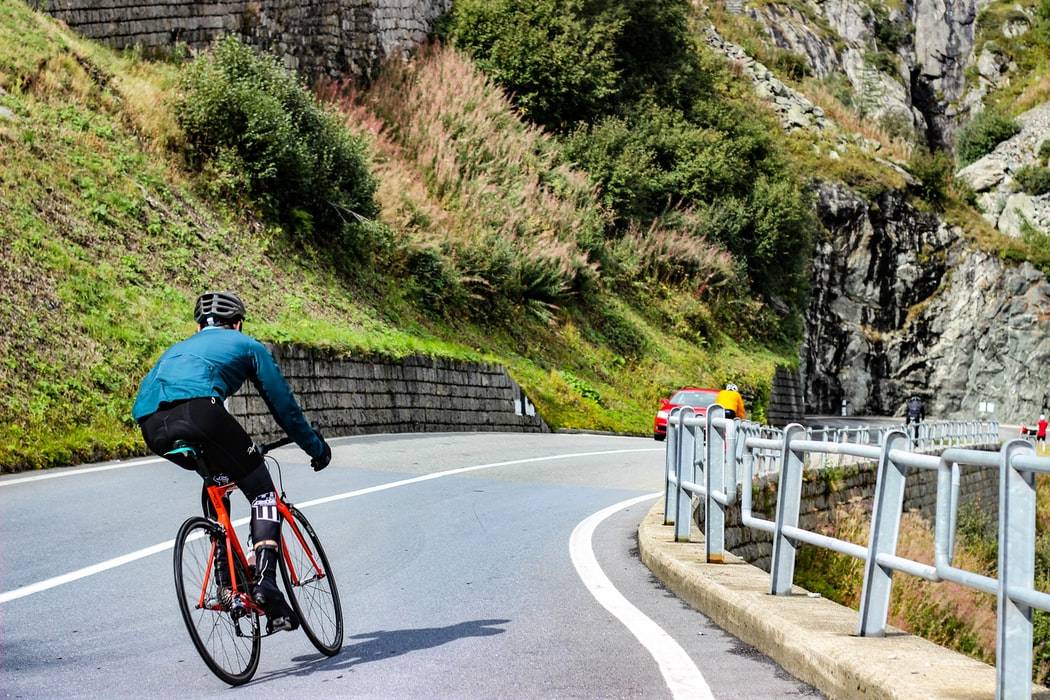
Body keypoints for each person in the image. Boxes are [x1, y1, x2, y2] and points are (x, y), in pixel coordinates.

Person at [132, 291, 332, 632]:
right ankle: (266, 583)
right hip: (200, 412)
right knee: (262, 490)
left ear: (199, 326)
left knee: (216, 482)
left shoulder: (177, 349)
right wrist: (315, 447)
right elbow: (284, 407)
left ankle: (228, 586)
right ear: (237, 323)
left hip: (150, 424)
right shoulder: (246, 345)